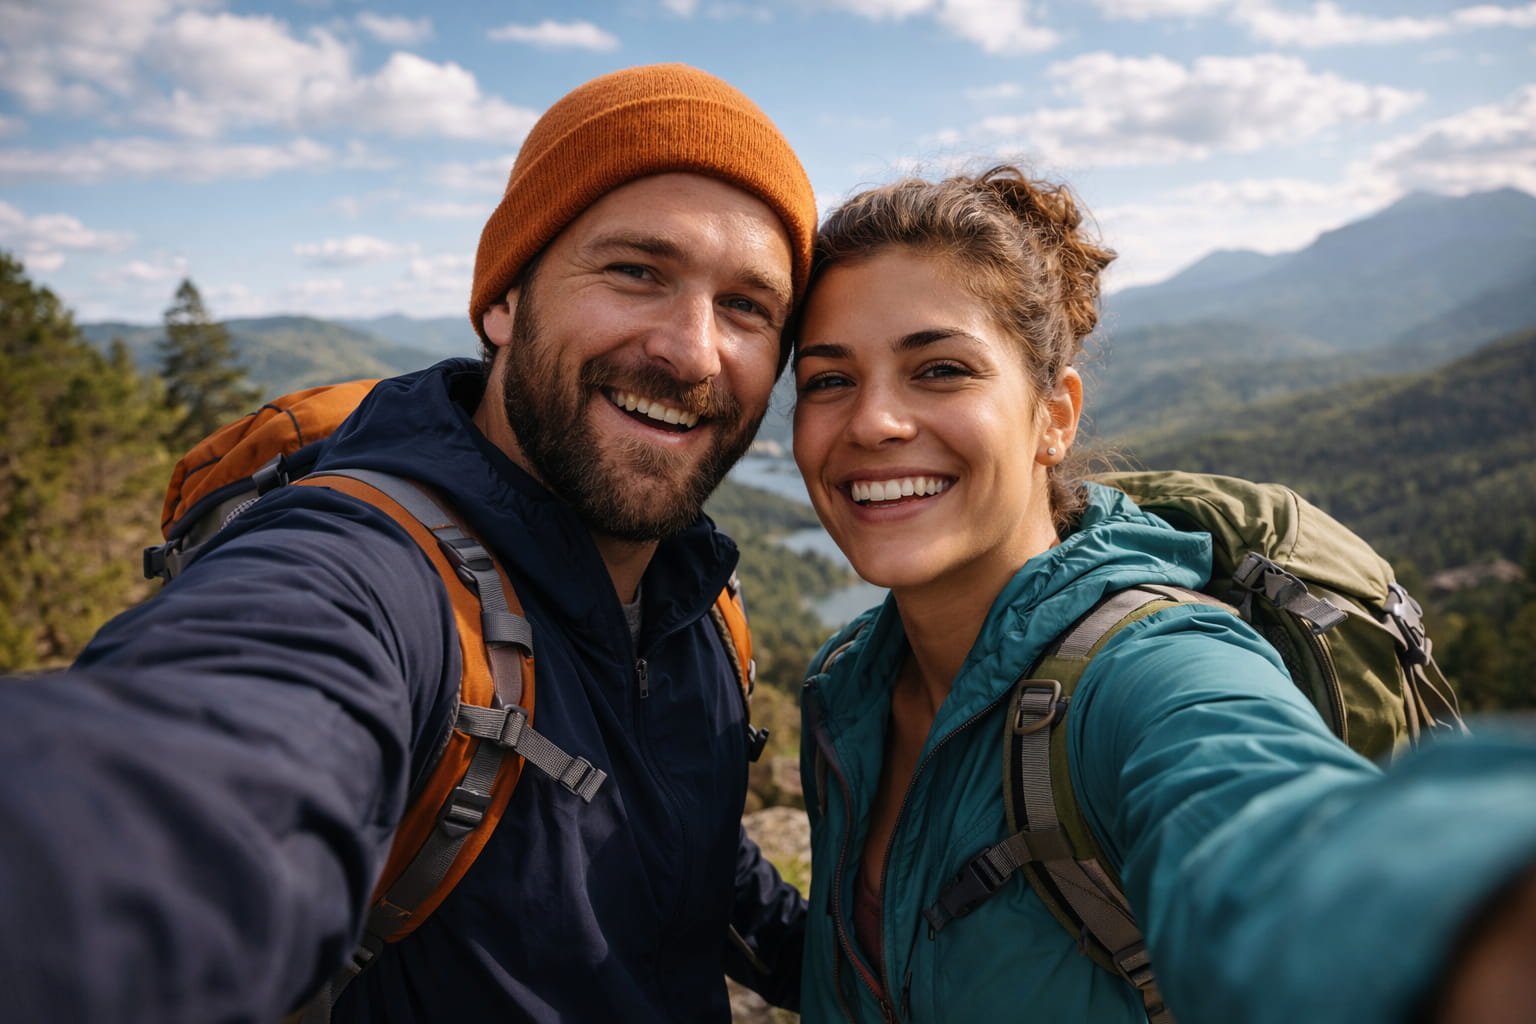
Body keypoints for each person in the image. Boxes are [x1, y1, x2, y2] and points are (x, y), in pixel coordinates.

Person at [0, 64, 815, 1022]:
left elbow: (685, 845)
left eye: (748, 307)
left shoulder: (695, 603)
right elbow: (192, 780)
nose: (691, 349)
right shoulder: (371, 576)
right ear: (505, 301)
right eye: (637, 270)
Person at [788, 165, 1536, 1023]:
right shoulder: (845, 686)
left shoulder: (1148, 671)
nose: (874, 421)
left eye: (942, 370)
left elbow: (1261, 824)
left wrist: (1464, 914)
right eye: (829, 380)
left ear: (1054, 417)